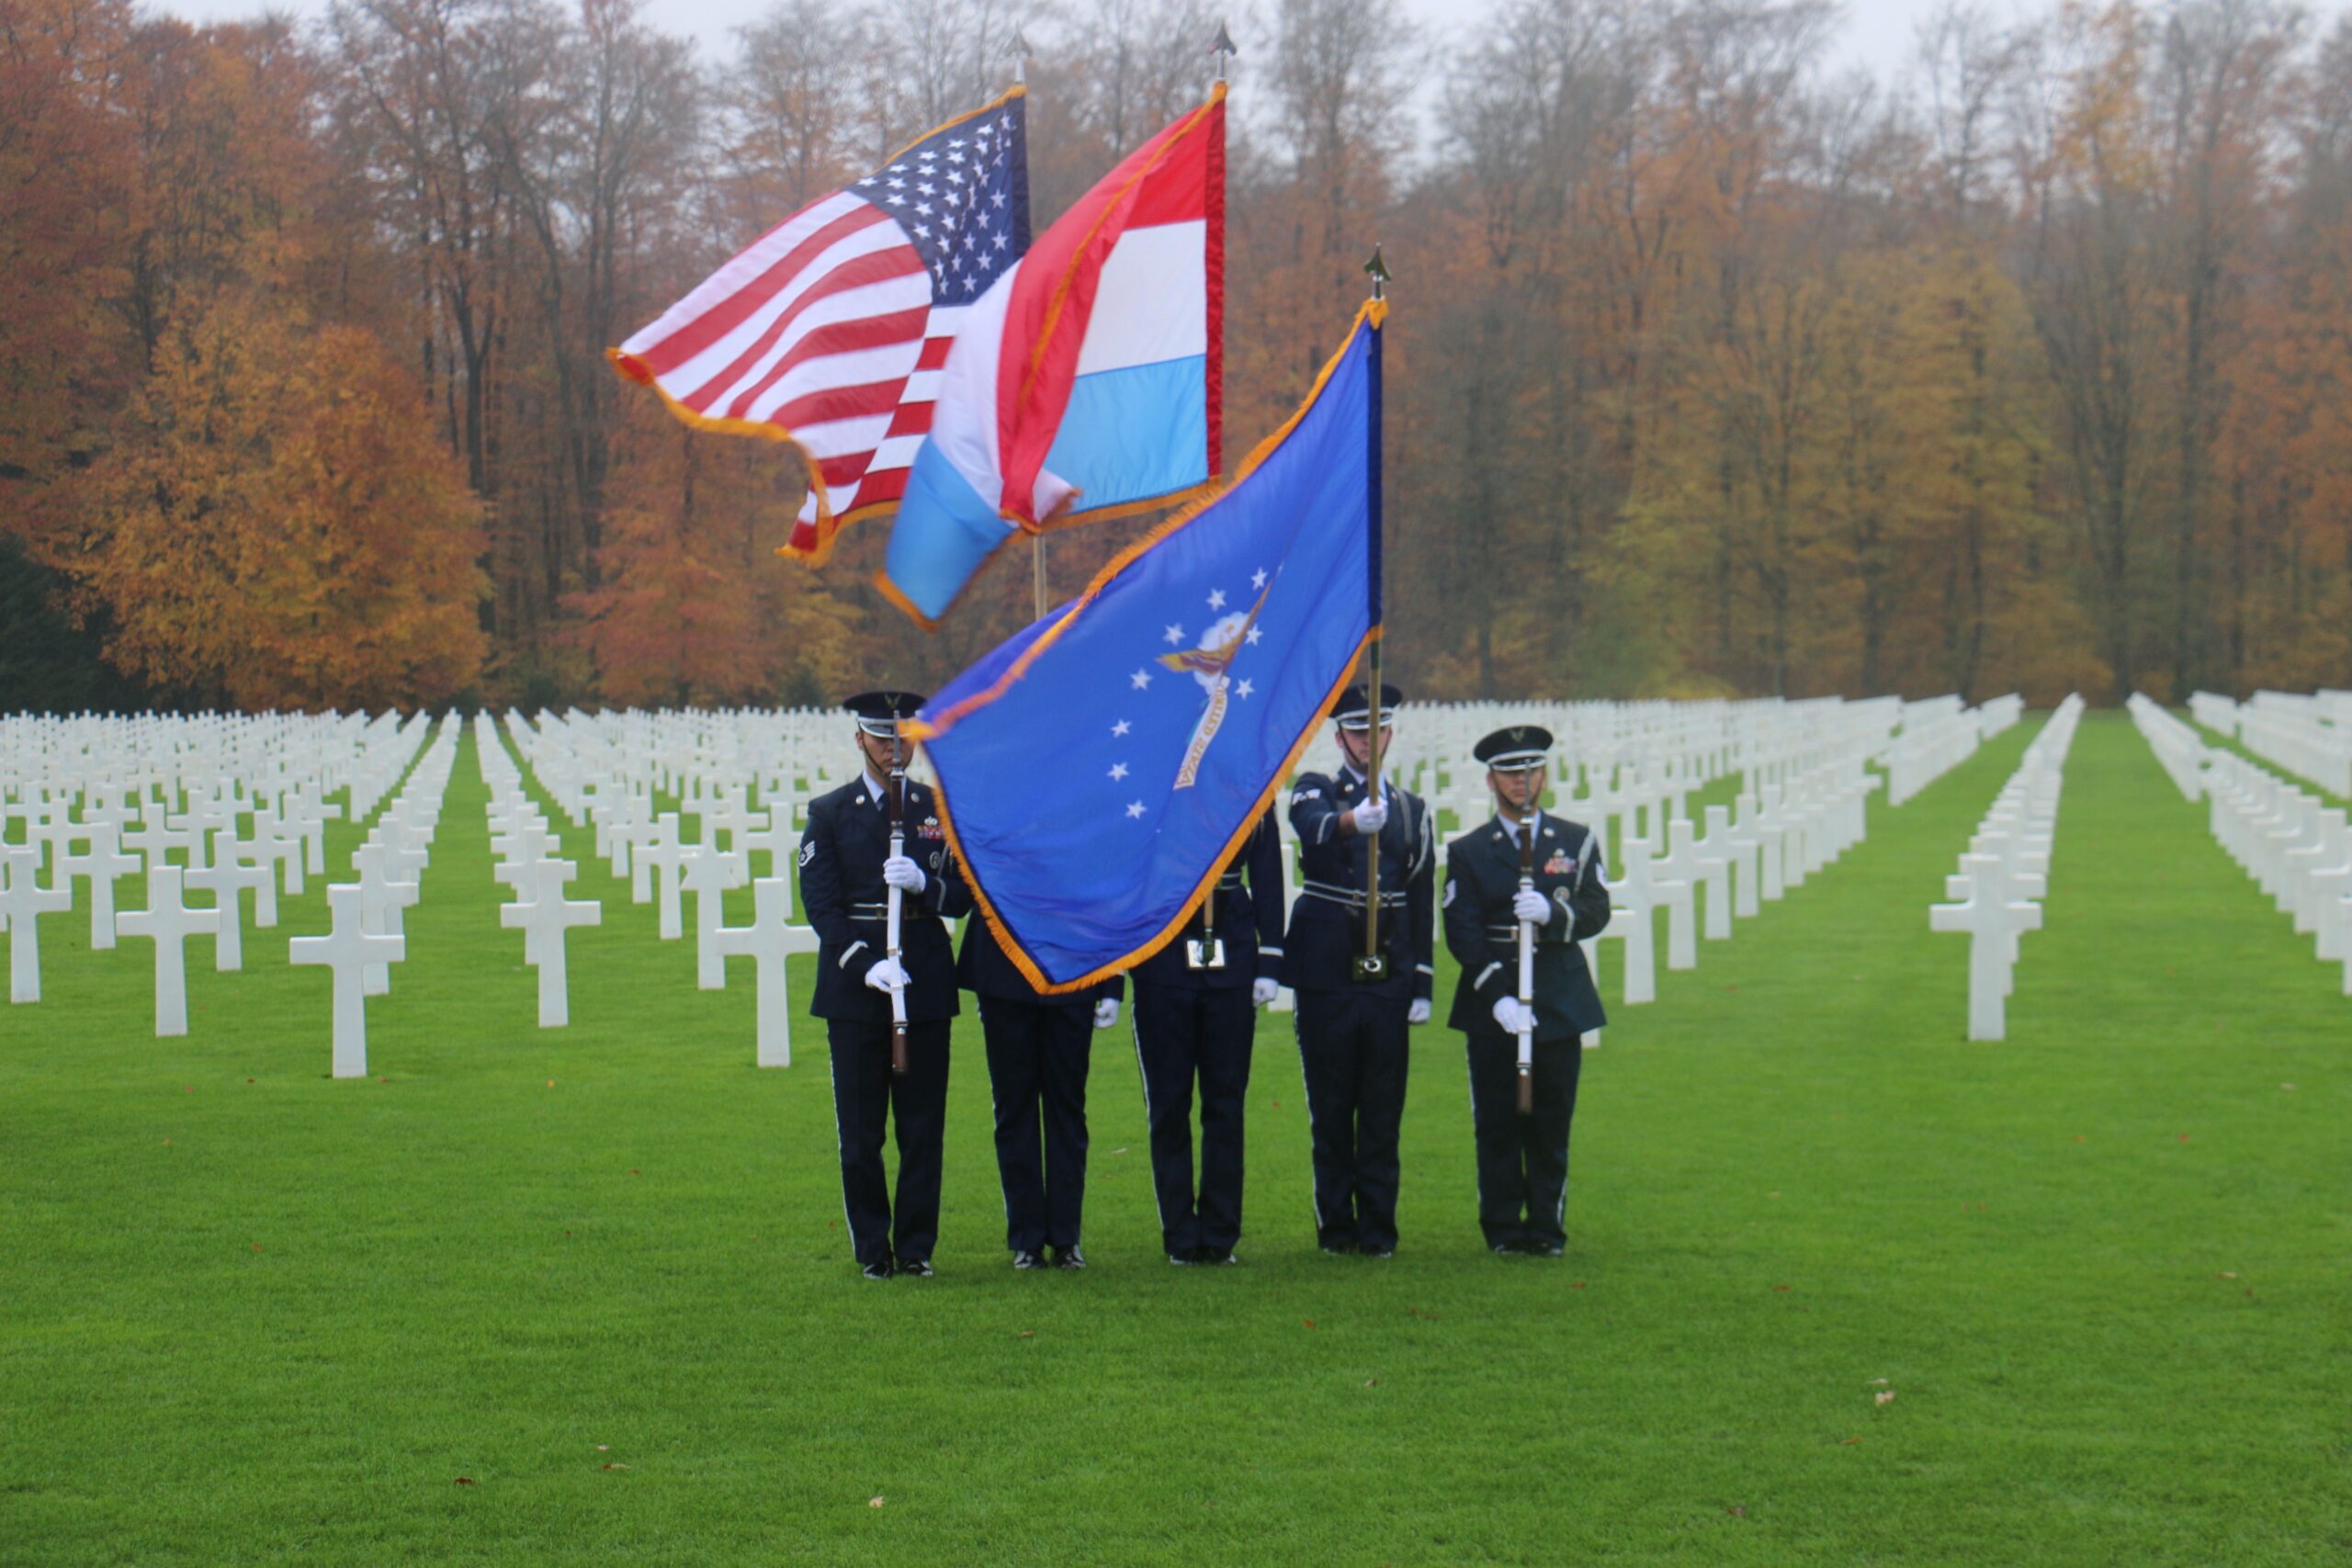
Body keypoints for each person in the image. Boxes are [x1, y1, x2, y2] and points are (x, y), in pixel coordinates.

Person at [797, 690, 970, 1280]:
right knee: (861, 1132)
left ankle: (917, 1248)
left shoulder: (936, 809)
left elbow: (965, 896)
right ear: (860, 741)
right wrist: (863, 963)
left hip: (923, 980)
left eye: (904, 738)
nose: (894, 749)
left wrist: (926, 884)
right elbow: (822, 906)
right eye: (881, 738)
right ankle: (873, 1248)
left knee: (922, 1129)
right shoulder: (829, 813)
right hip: (857, 988)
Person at [1442, 724, 1611, 1257]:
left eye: (1532, 770)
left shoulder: (1575, 841)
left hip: (1558, 1000)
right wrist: (1498, 997)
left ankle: (1546, 1227)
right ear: (1491, 781)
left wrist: (1553, 915)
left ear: (1544, 775)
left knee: (1550, 1122)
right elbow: (1462, 931)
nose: (1523, 781)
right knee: (1496, 1123)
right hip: (1494, 1004)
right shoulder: (1469, 850)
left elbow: (1596, 909)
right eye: (1511, 773)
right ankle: (1502, 1228)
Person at [1281, 682, 1435, 1258]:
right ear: (1341, 737)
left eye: (1378, 730)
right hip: (1327, 969)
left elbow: (1420, 897)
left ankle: (1378, 1228)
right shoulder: (1317, 787)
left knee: (1381, 1105)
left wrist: (1422, 981)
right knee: (1330, 1104)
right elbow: (1311, 824)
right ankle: (1336, 1227)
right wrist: (1352, 822)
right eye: (1358, 731)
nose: (1369, 741)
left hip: (1388, 969)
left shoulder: (1411, 810)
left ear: (1390, 733)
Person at [1127, 807, 1286, 1265]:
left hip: (1232, 954)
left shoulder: (1248, 780)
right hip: (1162, 952)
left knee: (1225, 1102)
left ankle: (1219, 1232)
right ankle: (1179, 1232)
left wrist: (1270, 956)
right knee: (1168, 1104)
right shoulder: (1157, 781)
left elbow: (1267, 871)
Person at [957, 908, 1123, 1270]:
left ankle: (1066, 1237)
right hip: (1005, 972)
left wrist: (1112, 979)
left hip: (1073, 967)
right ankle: (1026, 1239)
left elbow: (1099, 890)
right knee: (1014, 1110)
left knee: (1067, 1111)